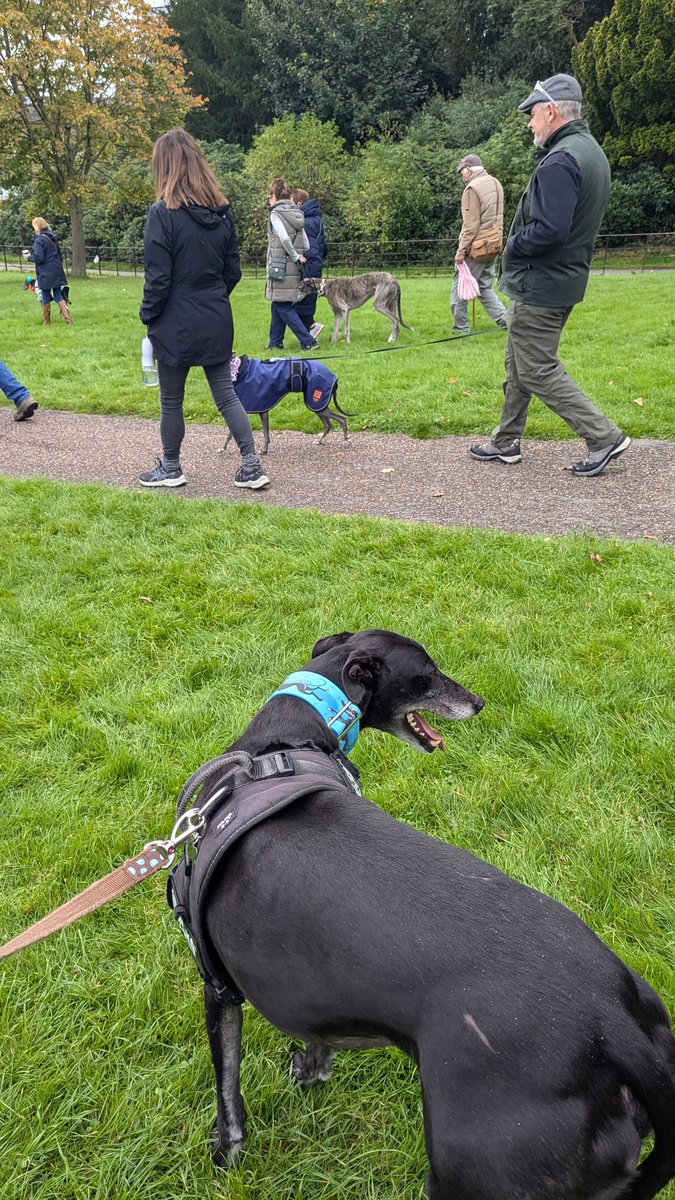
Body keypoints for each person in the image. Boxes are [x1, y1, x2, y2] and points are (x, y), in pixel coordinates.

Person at [470, 74, 630, 477]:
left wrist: (510, 245)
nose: (530, 123)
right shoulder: (590, 151)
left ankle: (603, 436)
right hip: (563, 279)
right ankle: (506, 441)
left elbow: (550, 231)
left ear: (551, 111)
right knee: (519, 362)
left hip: (541, 284)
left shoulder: (560, 160)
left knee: (536, 368)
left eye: (533, 114)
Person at [139, 129, 269, 490]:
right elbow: (233, 272)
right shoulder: (222, 214)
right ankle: (251, 464)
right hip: (215, 315)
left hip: (174, 319)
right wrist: (212, 297)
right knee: (225, 392)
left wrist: (148, 315)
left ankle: (171, 466)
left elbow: (158, 279)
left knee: (171, 400)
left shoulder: (162, 214)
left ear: (163, 166)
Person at [451, 155, 507, 334]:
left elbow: (471, 225)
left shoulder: (472, 189)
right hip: (494, 243)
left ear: (468, 170)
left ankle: (461, 329)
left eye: (462, 172)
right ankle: (506, 320)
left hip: (477, 248)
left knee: (460, 289)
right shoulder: (495, 183)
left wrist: (461, 252)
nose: (462, 176)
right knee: (484, 286)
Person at [266, 180, 318, 351]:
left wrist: (294, 255)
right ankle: (275, 343)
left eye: (269, 196)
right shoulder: (297, 214)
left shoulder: (275, 214)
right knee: (278, 303)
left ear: (274, 196)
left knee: (283, 305)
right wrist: (297, 255)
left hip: (279, 267)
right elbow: (306, 244)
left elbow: (283, 237)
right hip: (294, 269)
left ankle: (309, 341)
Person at [291, 187, 328, 340]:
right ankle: (309, 329)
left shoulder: (304, 221)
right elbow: (324, 245)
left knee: (301, 300)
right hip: (316, 263)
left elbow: (308, 247)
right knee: (307, 300)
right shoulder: (317, 219)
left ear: (299, 204)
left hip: (308, 263)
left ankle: (311, 328)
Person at [24, 218, 72, 325]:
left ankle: (47, 321)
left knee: (45, 294)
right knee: (58, 294)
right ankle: (68, 319)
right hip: (57, 269)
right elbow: (60, 256)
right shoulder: (53, 237)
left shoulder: (39, 240)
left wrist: (29, 257)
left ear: (36, 227)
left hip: (45, 272)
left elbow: (39, 258)